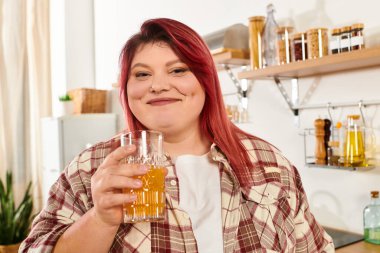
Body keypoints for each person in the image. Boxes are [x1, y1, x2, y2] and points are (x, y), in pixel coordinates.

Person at [20, 18, 334, 253]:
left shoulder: (269, 164)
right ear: (126, 89)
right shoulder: (91, 168)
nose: (157, 85)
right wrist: (101, 219)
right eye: (142, 74)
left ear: (206, 80)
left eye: (178, 70)